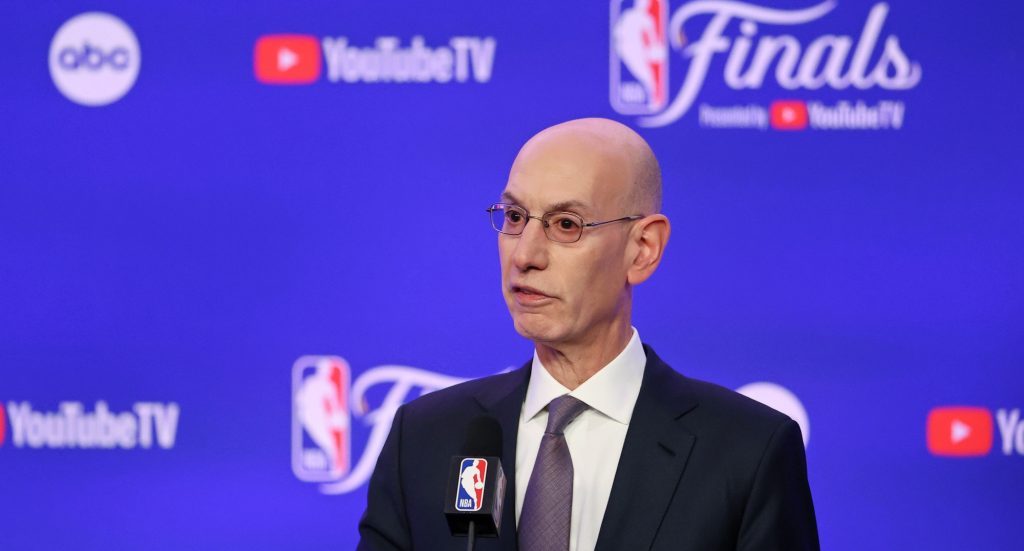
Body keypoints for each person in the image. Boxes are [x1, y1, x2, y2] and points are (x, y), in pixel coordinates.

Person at [358, 118, 819, 550]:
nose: (525, 255)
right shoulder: (424, 439)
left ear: (643, 249)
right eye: (515, 217)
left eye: (565, 225)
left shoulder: (746, 452)